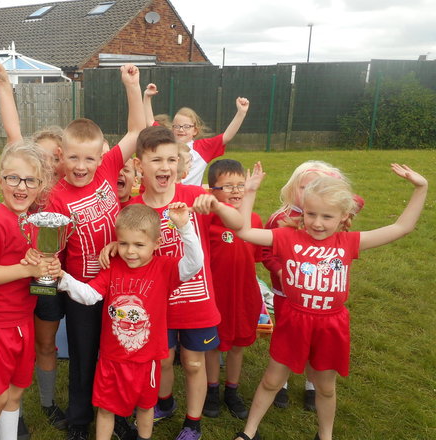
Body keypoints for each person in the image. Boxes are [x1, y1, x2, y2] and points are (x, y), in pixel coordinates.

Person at [233, 162, 427, 440]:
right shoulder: (287, 237)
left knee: (325, 387)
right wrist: (250, 192)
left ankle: (325, 436)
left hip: (330, 325)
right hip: (294, 319)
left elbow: (402, 227)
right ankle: (249, 432)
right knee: (272, 380)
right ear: (302, 211)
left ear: (343, 217)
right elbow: (244, 232)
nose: (317, 223)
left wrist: (422, 188)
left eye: (327, 216)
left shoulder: (348, 242)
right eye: (311, 214)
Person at [121, 125, 243, 440]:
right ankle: (165, 403)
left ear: (180, 163)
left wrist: (216, 205)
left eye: (171, 160)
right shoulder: (133, 208)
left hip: (196, 301)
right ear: (139, 165)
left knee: (192, 363)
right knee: (161, 360)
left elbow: (240, 223)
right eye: (157, 160)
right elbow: (126, 249)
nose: (165, 167)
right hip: (156, 303)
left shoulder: (195, 196)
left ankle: (193, 422)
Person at [45, 64, 146, 440]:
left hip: (122, 281)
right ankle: (79, 421)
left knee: (118, 351)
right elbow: (50, 249)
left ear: (99, 156)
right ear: (61, 155)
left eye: (89, 158)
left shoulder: (107, 168)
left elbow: (136, 130)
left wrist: (131, 85)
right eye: (73, 158)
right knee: (85, 358)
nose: (82, 166)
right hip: (81, 291)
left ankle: (117, 414)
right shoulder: (56, 197)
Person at [59, 203, 204, 440]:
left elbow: (195, 262)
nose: (130, 251)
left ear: (156, 244)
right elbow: (90, 295)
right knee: (106, 409)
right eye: (123, 243)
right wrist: (63, 278)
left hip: (146, 360)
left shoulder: (165, 268)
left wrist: (184, 227)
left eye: (139, 244)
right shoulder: (113, 267)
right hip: (112, 359)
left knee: (145, 408)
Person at [0, 61, 69, 434]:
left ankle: (39, 407)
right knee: (1, 389)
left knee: (34, 358)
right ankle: (11, 421)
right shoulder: (8, 210)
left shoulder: (57, 192)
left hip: (40, 292)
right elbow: (13, 134)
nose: (22, 184)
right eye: (14, 177)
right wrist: (5, 85)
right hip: (6, 309)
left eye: (55, 156)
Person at [0, 141, 59, 440]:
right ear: (0, 181)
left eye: (30, 180)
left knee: (16, 393)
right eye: (13, 178)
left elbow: (30, 265)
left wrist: (46, 266)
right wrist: (28, 270)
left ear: (40, 184)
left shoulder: (31, 221)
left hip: (23, 319)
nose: (21, 186)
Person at [261, 160, 352, 411]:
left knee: (318, 344)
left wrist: (334, 189)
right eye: (303, 186)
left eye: (316, 186)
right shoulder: (281, 218)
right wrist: (280, 271)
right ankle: (282, 383)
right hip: (286, 293)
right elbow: (266, 251)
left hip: (319, 297)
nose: (307, 192)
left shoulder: (326, 216)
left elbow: (354, 203)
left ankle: (313, 384)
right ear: (292, 188)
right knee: (287, 338)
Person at [201, 159, 264, 420]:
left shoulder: (255, 220)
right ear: (213, 191)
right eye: (228, 186)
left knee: (238, 345)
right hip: (217, 297)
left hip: (244, 296)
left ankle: (232, 390)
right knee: (214, 345)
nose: (236, 191)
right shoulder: (207, 222)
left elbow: (259, 257)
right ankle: (212, 390)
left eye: (240, 185)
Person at [143, 83, 250, 186]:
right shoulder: (165, 141)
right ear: (172, 128)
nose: (181, 130)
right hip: (167, 197)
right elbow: (150, 122)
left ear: (195, 130)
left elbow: (226, 136)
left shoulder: (203, 147)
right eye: (177, 126)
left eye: (186, 126)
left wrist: (241, 113)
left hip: (192, 200)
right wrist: (147, 97)